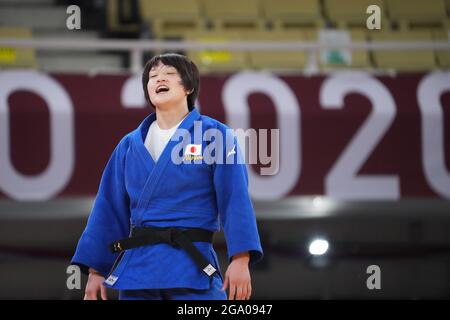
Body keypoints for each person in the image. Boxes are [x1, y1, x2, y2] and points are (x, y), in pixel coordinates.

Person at [71, 53, 263, 300]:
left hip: (192, 265)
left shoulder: (215, 135)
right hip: (139, 272)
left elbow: (235, 198)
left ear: (189, 87)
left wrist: (241, 258)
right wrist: (97, 270)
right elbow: (108, 208)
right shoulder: (129, 145)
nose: (159, 79)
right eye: (152, 77)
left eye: (169, 74)